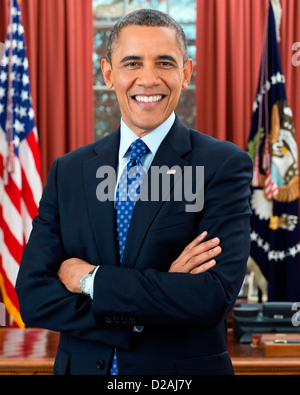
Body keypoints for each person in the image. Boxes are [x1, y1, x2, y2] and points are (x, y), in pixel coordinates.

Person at [16, 9, 252, 375]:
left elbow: (210, 298)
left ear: (186, 73)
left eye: (164, 63)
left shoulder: (222, 165)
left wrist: (89, 280)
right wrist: (156, 299)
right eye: (132, 63)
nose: (148, 78)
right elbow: (33, 297)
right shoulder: (70, 171)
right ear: (109, 73)